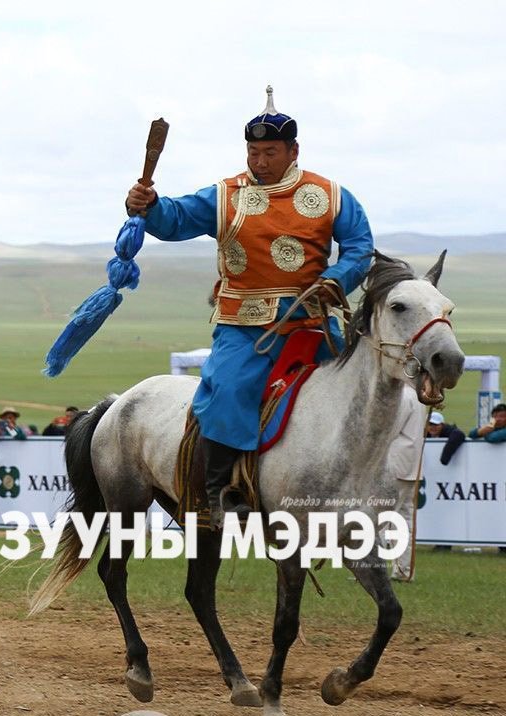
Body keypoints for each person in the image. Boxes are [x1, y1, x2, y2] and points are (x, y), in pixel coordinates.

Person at [125, 86, 373, 529]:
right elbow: (176, 218)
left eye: (269, 152)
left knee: (362, 387)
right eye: (253, 152)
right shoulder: (226, 196)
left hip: (313, 320)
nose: (259, 162)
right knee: (231, 388)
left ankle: (361, 484)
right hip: (245, 324)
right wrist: (149, 206)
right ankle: (219, 492)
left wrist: (336, 279)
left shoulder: (331, 195)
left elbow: (359, 247)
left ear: (293, 150)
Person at [387, 387, 425, 582]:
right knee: (404, 521)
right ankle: (404, 569)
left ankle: (370, 569)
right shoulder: (417, 396)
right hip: (412, 466)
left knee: (381, 519)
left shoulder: (404, 395)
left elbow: (390, 429)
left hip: (395, 464)